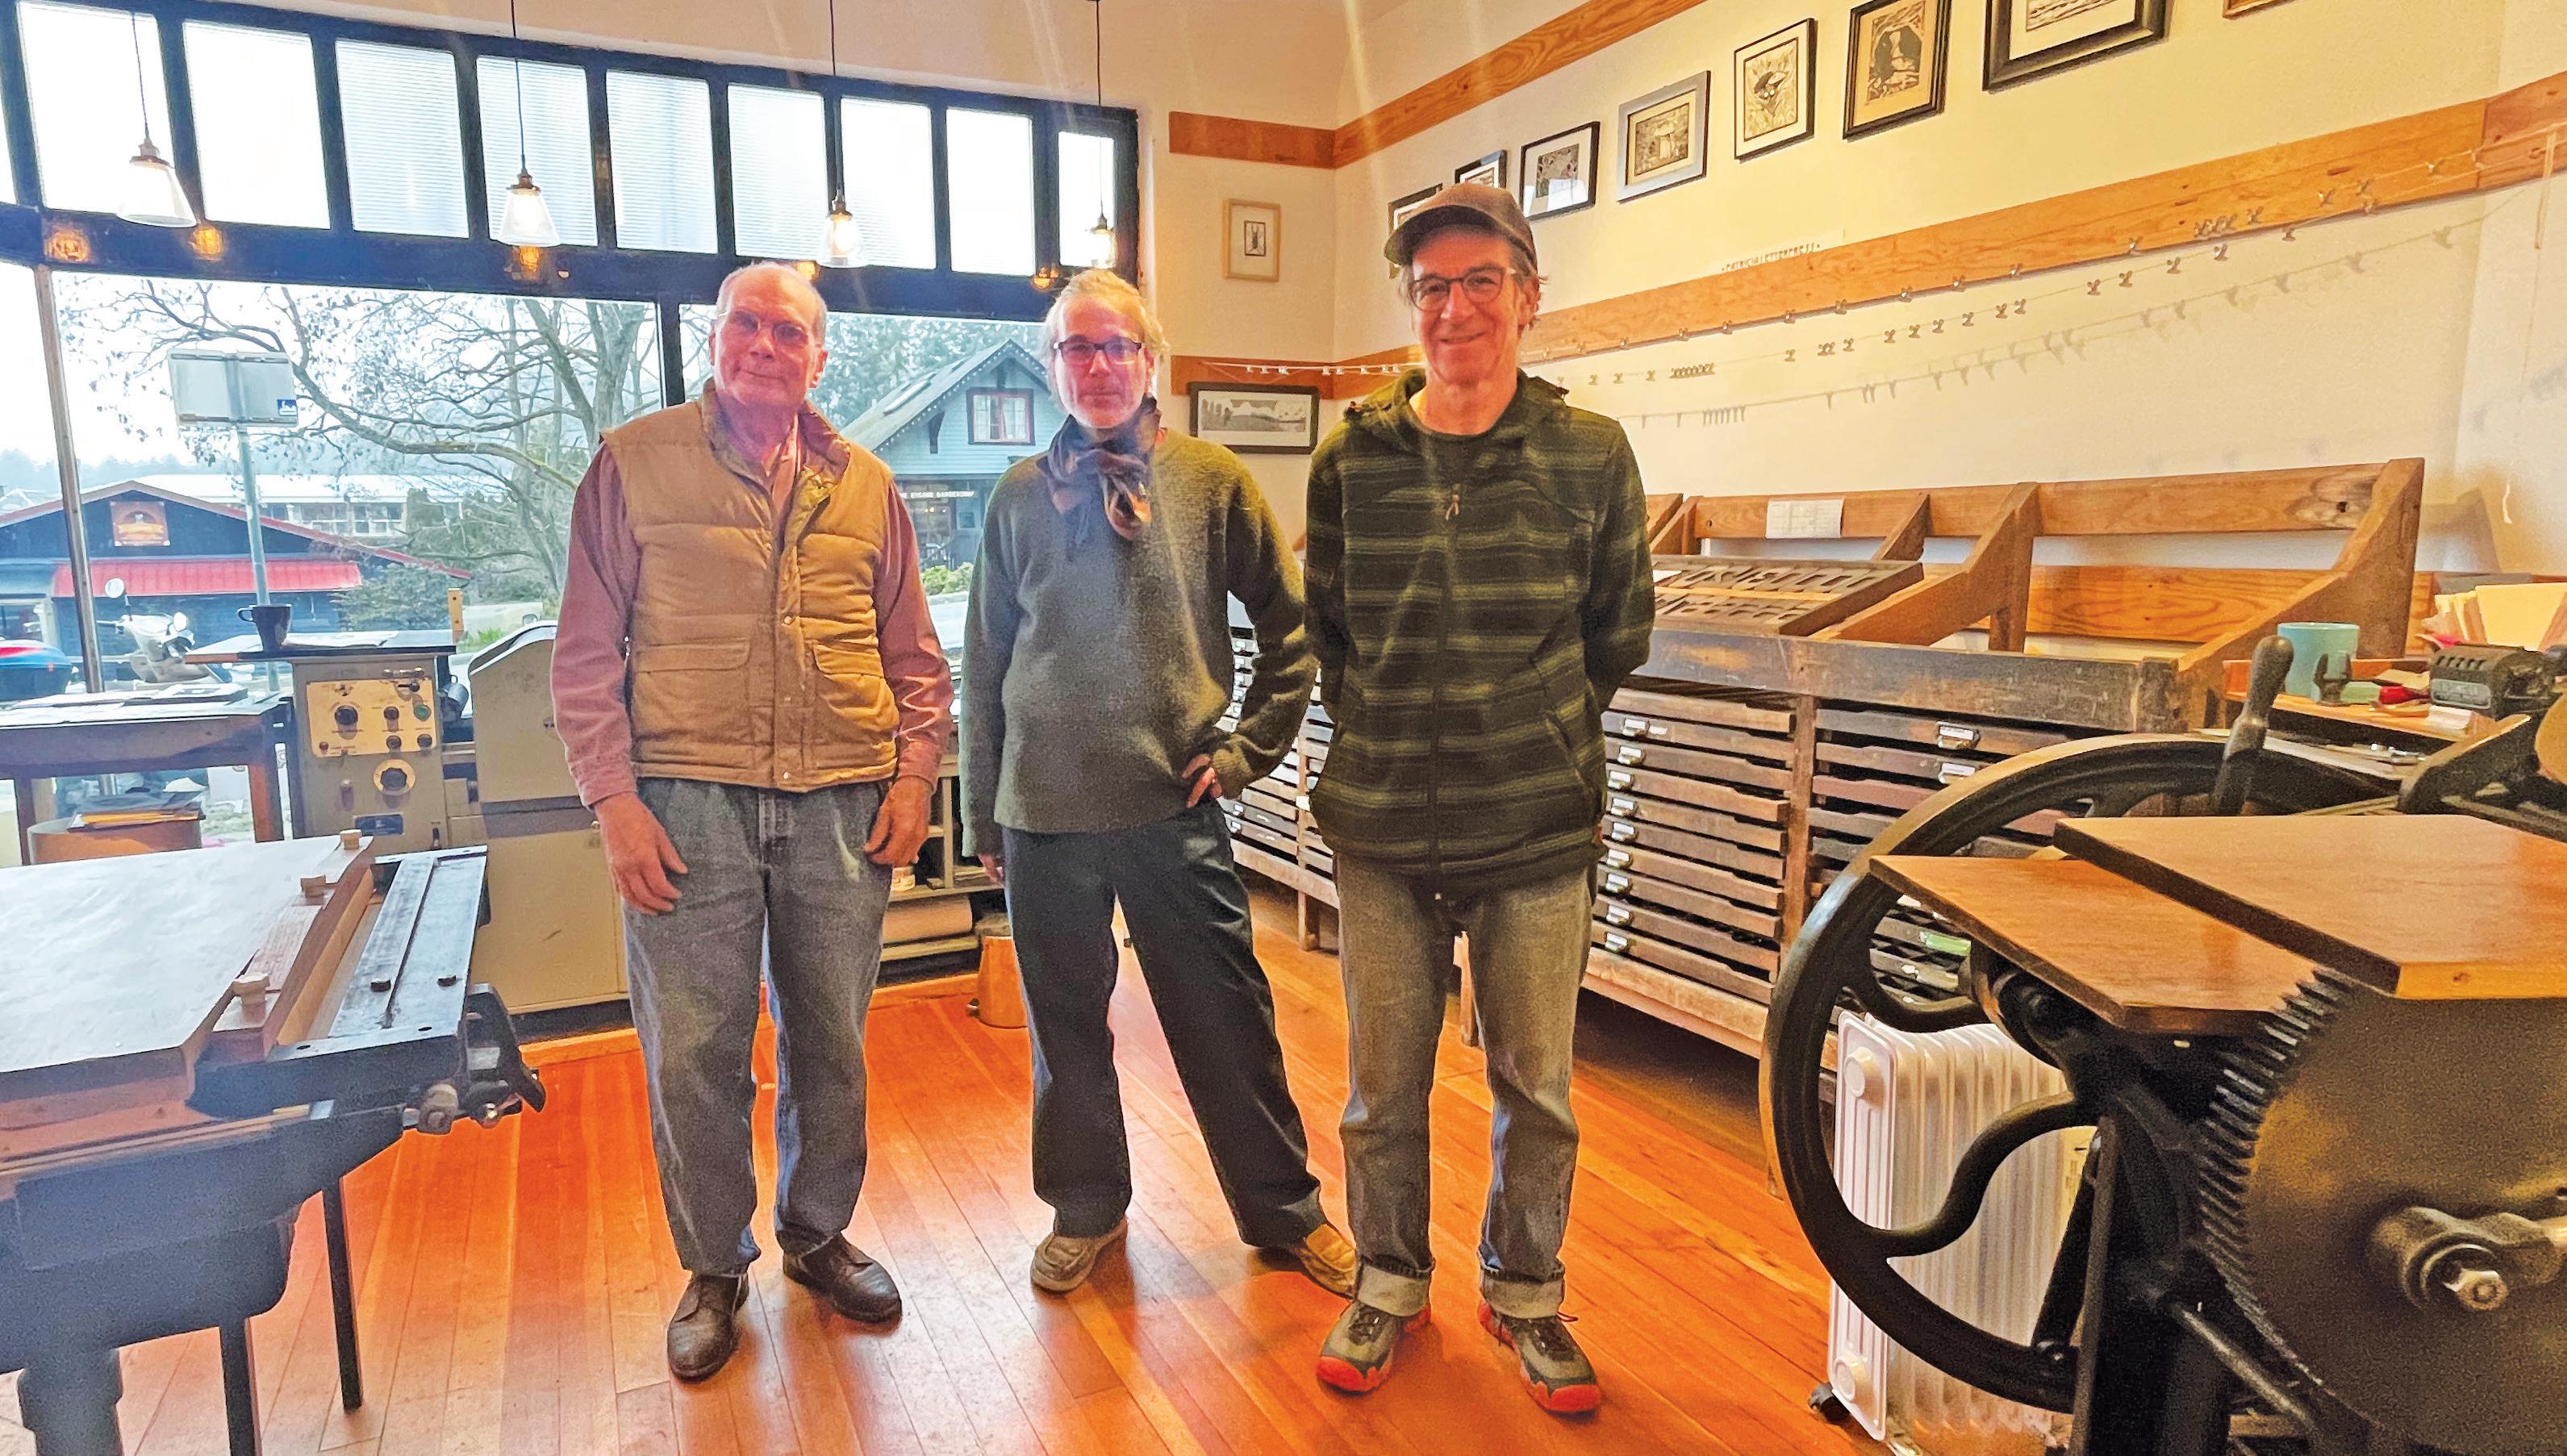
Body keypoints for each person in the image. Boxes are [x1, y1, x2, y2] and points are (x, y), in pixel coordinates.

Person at [552, 261, 953, 1381]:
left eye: (788, 331)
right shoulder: (633, 463)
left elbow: (915, 655)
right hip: (687, 801)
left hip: (842, 801)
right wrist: (613, 800)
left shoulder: (867, 483)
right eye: (746, 325)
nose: (764, 346)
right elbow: (581, 654)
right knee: (695, 1052)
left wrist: (915, 777)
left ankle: (818, 1235)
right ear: (714, 338)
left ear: (820, 357)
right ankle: (712, 1265)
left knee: (832, 1040)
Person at [1302, 184, 1655, 1412]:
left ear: (1528, 296)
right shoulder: (1351, 458)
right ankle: (1388, 1279)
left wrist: (1533, 732)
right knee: (1381, 1088)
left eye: (1480, 281)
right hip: (1380, 823)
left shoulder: (1589, 453)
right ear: (1412, 305)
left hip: (1536, 826)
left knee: (1535, 1087)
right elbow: (1330, 629)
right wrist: (1391, 724)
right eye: (1432, 287)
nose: (1454, 308)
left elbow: (1617, 632)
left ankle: (1526, 1290)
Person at [962, 269, 1355, 1300]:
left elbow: (1293, 631)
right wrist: (981, 811)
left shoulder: (1211, 481)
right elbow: (986, 662)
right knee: (1065, 1029)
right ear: (1051, 366)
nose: (1096, 365)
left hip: (1171, 807)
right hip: (1043, 812)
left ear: (1150, 360)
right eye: (1075, 347)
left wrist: (1244, 751)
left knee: (1226, 1016)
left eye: (1115, 346)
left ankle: (1283, 1209)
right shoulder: (1016, 496)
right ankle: (1085, 1206)